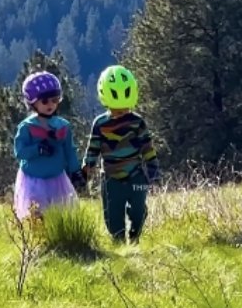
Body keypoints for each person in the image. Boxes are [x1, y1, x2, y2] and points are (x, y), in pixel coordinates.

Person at [82, 65, 160, 244]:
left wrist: (153, 167)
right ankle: (119, 244)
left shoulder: (137, 122)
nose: (121, 112)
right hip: (111, 179)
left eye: (124, 109)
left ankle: (135, 237)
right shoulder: (100, 124)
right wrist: (87, 168)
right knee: (112, 215)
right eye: (117, 110)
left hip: (136, 176)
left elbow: (147, 147)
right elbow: (93, 148)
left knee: (138, 210)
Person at [13, 71, 85, 220]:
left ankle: (59, 239)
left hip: (57, 178)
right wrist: (37, 149)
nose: (50, 105)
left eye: (54, 100)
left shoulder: (63, 126)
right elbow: (20, 152)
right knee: (36, 214)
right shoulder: (26, 127)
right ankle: (39, 241)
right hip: (33, 179)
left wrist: (76, 172)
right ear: (32, 102)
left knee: (60, 213)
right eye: (45, 101)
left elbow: (69, 151)